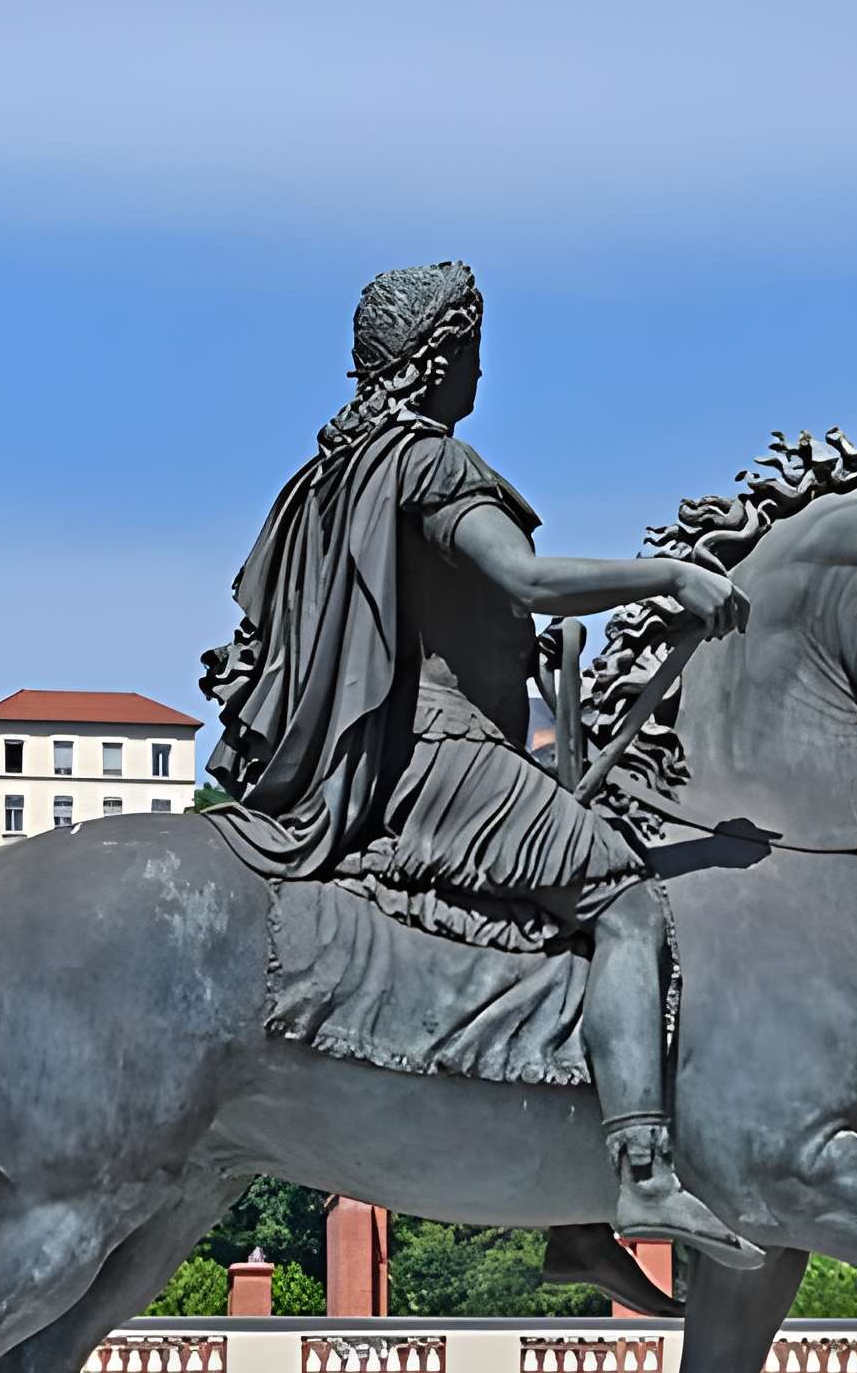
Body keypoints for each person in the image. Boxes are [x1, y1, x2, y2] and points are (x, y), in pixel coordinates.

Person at [202, 261, 760, 1267]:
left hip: (372, 752)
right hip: (438, 749)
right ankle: (638, 1175)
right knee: (625, 903)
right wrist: (672, 574)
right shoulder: (430, 462)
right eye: (470, 351)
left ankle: (573, 1217)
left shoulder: (333, 469)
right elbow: (529, 575)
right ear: (438, 357)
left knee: (547, 924)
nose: (478, 374)